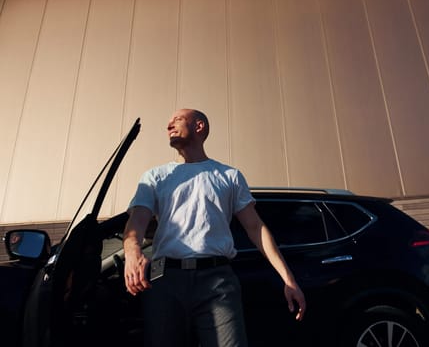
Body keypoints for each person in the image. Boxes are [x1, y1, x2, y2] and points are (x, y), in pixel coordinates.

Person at [123, 108, 306, 347]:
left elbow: (255, 228)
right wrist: (131, 250)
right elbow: (137, 221)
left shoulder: (229, 176)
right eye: (168, 121)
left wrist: (289, 280)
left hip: (218, 281)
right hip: (164, 278)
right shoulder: (155, 176)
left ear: (199, 126)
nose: (169, 125)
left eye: (177, 119)